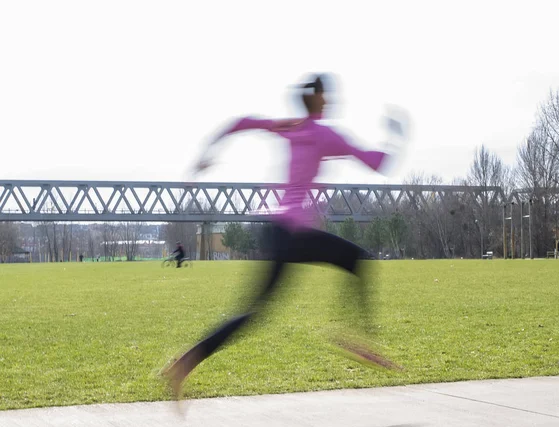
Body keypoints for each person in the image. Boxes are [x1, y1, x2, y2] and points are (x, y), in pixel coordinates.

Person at [162, 74, 407, 401]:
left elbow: (242, 122)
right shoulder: (324, 134)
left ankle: (184, 364)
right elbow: (376, 163)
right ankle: (353, 336)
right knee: (357, 260)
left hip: (276, 230)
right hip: (295, 233)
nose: (331, 100)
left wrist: (206, 154)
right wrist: (395, 138)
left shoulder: (290, 126)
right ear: (318, 98)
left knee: (252, 313)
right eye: (326, 95)